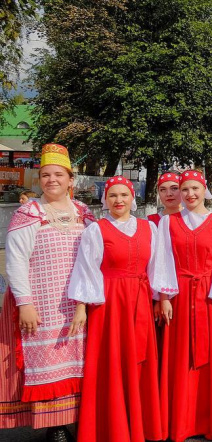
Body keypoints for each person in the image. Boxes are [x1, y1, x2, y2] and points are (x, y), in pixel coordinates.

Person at [0, 144, 95, 441]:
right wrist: (25, 304)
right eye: (44, 175)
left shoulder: (84, 213)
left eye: (57, 174)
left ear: (70, 180)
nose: (51, 180)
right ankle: (55, 425)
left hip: (78, 303)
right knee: (50, 362)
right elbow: (15, 261)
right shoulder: (29, 213)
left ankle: (83, 419)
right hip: (42, 302)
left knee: (80, 360)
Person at [68, 176, 164, 442]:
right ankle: (113, 428)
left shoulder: (148, 228)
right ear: (105, 200)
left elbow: (157, 267)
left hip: (141, 300)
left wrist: (159, 298)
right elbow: (86, 270)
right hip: (108, 303)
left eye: (124, 195)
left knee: (139, 360)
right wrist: (81, 308)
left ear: (132, 198)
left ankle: (141, 426)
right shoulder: (96, 230)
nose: (119, 200)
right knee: (111, 362)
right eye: (113, 195)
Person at [152, 170, 212, 442]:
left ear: (205, 190)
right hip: (179, 296)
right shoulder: (168, 223)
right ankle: (182, 421)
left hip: (209, 296)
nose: (190, 194)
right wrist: (164, 297)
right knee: (180, 356)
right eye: (185, 189)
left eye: (195, 189)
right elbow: (163, 260)